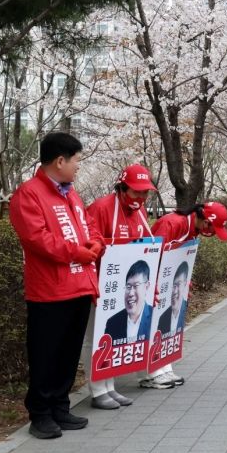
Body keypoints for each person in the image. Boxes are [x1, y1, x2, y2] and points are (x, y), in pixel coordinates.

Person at [9, 132, 102, 439]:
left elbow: (87, 225)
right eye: (76, 160)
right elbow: (37, 240)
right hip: (49, 291)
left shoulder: (71, 193)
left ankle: (60, 406)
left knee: (68, 351)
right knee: (45, 353)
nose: (78, 167)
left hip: (79, 285)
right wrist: (77, 251)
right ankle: (40, 412)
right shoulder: (29, 194)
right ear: (60, 160)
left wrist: (95, 243)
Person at [82, 163, 156, 410]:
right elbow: (88, 243)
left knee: (114, 336)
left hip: (124, 290)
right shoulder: (101, 208)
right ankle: (96, 389)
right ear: (122, 188)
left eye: (145, 192)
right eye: (137, 192)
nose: (141, 197)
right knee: (96, 337)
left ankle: (109, 386)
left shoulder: (141, 212)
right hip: (102, 285)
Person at [139, 200, 227, 389]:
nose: (211, 233)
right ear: (205, 221)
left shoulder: (192, 229)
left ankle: (164, 366)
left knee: (166, 325)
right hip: (155, 283)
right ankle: (151, 372)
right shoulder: (171, 223)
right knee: (153, 324)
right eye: (212, 228)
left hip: (171, 285)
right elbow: (152, 254)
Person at [104, 260, 154, 342]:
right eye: (128, 286)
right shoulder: (112, 323)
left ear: (147, 286)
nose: (130, 293)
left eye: (136, 286)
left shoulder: (155, 317)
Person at [158, 262, 189, 334]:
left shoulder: (184, 307)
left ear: (185, 284)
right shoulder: (162, 318)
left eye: (178, 284)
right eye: (174, 285)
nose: (174, 291)